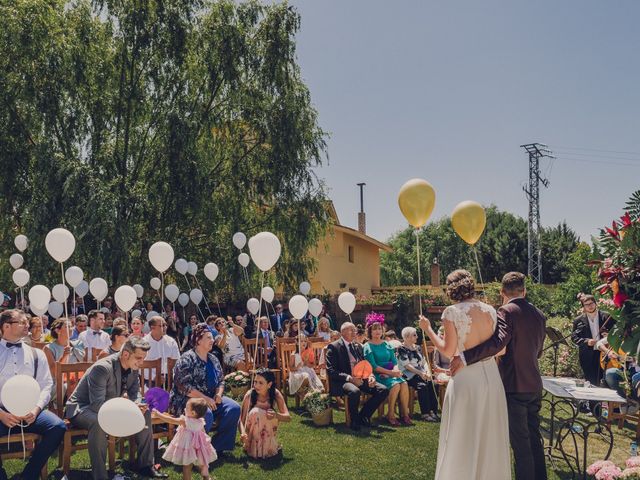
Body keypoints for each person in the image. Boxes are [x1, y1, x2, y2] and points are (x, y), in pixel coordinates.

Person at [451, 271, 547, 480]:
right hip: (534, 384)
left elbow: (497, 344)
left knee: (520, 444)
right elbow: (538, 351)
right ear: (525, 290)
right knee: (533, 437)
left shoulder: (506, 311)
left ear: (502, 292)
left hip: (514, 384)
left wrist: (464, 357)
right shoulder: (539, 314)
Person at [422, 269, 511, 479]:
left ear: (451, 288)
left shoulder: (451, 312)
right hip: (491, 376)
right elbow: (501, 349)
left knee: (463, 432)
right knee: (490, 431)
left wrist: (427, 329)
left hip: (466, 377)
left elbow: (449, 350)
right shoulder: (491, 310)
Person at [65, 337, 167, 479]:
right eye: (139, 358)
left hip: (112, 406)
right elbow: (96, 405)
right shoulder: (102, 368)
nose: (142, 362)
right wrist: (127, 407)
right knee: (98, 422)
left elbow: (135, 393)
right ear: (125, 354)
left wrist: (137, 405)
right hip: (83, 408)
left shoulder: (133, 366)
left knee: (145, 413)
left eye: (144, 358)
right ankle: (100, 475)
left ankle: (145, 465)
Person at [0, 310, 66, 480]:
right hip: (2, 412)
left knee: (58, 427)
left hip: (31, 411)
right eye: (22, 322)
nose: (27, 325)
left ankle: (29, 475)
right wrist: (2, 415)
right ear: (6, 326)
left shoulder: (37, 353)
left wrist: (36, 409)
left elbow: (46, 384)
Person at [169, 323, 241, 455]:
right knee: (205, 413)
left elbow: (220, 380)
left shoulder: (213, 358)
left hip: (211, 398)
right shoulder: (186, 359)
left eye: (212, 337)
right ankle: (196, 449)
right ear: (198, 340)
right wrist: (205, 399)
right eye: (208, 337)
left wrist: (219, 394)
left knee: (234, 408)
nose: (212, 340)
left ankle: (217, 447)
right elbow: (184, 387)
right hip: (187, 400)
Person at [326, 322, 388, 431]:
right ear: (343, 332)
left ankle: (363, 416)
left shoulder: (357, 346)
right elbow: (331, 371)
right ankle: (354, 420)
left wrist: (371, 376)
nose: (355, 332)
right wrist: (350, 378)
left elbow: (365, 363)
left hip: (361, 378)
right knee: (354, 391)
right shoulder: (334, 346)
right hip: (343, 381)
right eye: (352, 330)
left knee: (382, 390)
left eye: (355, 330)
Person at [152, 398, 217, 480]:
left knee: (186, 467)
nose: (184, 409)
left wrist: (158, 415)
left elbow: (171, 420)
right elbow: (203, 433)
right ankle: (206, 477)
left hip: (188, 447)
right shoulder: (201, 421)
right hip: (198, 447)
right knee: (200, 463)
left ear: (193, 413)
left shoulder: (185, 421)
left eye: (187, 408)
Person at [364, 319, 411, 426]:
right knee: (395, 386)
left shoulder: (386, 344)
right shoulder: (368, 346)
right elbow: (374, 366)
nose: (377, 331)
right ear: (370, 331)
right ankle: (390, 414)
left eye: (379, 329)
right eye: (375, 329)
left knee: (404, 383)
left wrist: (395, 369)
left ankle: (404, 414)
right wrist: (391, 373)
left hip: (390, 372)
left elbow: (394, 361)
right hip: (377, 375)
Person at [239, 368, 290, 459]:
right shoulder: (249, 395)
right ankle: (253, 446)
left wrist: (276, 415)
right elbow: (241, 420)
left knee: (266, 414)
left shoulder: (275, 394)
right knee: (255, 412)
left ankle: (268, 447)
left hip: (268, 427)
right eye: (255, 382)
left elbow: (288, 417)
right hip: (252, 428)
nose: (256, 385)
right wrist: (243, 433)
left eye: (261, 383)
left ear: (269, 384)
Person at [397, 326, 439, 422]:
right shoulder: (401, 349)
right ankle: (425, 413)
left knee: (434, 384)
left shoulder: (418, 348)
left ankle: (433, 411)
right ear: (407, 337)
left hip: (421, 373)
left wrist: (427, 372)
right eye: (414, 335)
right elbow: (407, 366)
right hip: (409, 374)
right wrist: (420, 373)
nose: (417, 337)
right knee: (422, 386)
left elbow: (424, 362)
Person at [572, 293, 614, 387]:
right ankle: (592, 402)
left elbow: (616, 333)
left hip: (604, 353)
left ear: (595, 303)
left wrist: (609, 335)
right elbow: (574, 338)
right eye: (587, 305)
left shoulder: (607, 317)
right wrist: (587, 341)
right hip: (587, 355)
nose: (590, 306)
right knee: (590, 382)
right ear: (583, 307)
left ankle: (604, 401)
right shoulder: (578, 320)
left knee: (605, 382)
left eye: (591, 303)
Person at [144, 316, 181, 383]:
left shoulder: (171, 342)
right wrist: (154, 377)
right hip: (149, 380)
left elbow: (177, 362)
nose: (165, 328)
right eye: (162, 325)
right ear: (152, 327)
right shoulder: (143, 343)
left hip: (169, 379)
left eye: (166, 325)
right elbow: (140, 365)